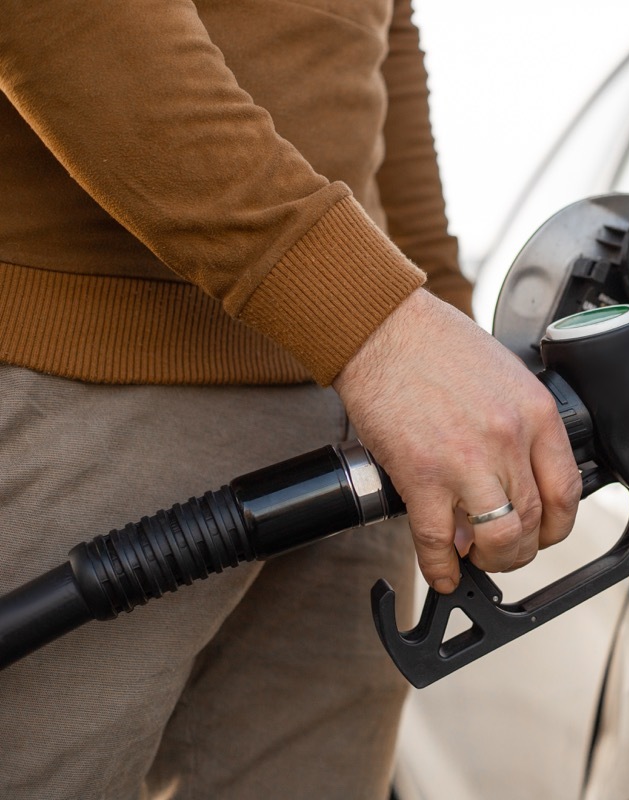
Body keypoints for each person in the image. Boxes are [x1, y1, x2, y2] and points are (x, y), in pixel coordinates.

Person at [0, 1, 582, 797]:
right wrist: (374, 323)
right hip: (83, 385)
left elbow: (382, 35)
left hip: (358, 411)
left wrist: (435, 324)